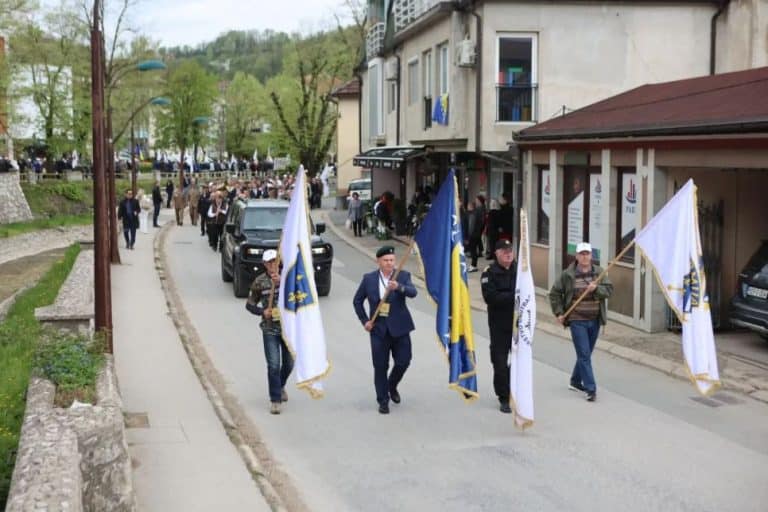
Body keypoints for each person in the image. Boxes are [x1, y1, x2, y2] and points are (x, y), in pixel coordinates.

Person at [353, 246, 418, 414]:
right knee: (380, 366)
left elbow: (413, 292)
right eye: (386, 260)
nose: (389, 263)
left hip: (400, 328)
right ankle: (383, 400)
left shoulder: (402, 276)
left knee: (404, 361)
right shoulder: (369, 279)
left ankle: (392, 385)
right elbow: (357, 301)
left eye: (391, 260)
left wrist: (399, 287)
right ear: (379, 261)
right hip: (379, 330)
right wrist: (365, 321)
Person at [549, 242, 614, 402]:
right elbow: (554, 294)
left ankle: (575, 381)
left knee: (585, 353)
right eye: (582, 254)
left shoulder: (599, 273)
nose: (585, 257)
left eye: (587, 254)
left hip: (595, 320)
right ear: (577, 256)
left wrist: (596, 289)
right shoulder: (567, 274)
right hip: (577, 320)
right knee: (584, 355)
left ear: (591, 256)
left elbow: (609, 290)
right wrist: (559, 312)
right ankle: (591, 389)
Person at [246, 249, 294, 414]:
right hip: (269, 329)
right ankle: (275, 399)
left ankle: (280, 385)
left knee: (289, 363)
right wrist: (262, 312)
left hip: (288, 329)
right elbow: (249, 305)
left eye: (275, 261)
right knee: (273, 365)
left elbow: (299, 296)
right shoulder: (259, 282)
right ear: (265, 264)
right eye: (269, 262)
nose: (272, 265)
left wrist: (283, 283)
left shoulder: (289, 278)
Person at [480, 239, 517, 413]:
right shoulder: (489, 273)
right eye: (504, 251)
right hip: (499, 325)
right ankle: (503, 397)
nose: (508, 253)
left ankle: (515, 390)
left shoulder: (521, 270)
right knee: (500, 362)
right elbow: (491, 298)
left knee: (518, 361)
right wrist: (514, 296)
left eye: (510, 250)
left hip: (518, 325)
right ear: (496, 253)